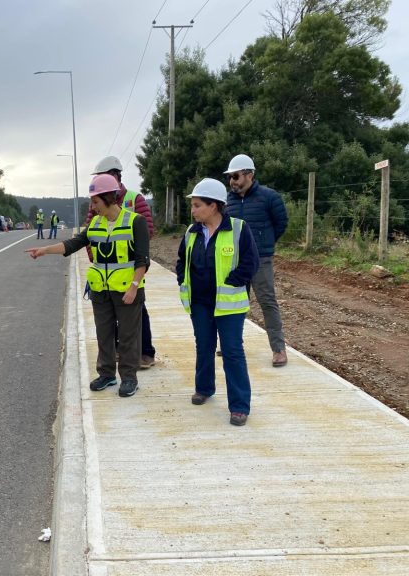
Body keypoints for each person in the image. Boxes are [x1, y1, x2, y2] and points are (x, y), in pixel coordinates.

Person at [26, 174, 150, 398]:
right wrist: (45, 250)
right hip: (100, 290)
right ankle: (107, 374)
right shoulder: (95, 223)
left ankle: (129, 378)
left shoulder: (135, 222)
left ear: (108, 198)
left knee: (128, 336)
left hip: (127, 290)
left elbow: (142, 260)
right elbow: (73, 244)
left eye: (95, 201)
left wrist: (134, 287)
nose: (92, 206)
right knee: (104, 334)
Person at [176, 178, 259, 426]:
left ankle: (239, 406)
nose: (193, 210)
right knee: (204, 346)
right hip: (200, 303)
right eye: (193, 205)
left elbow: (251, 262)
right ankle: (204, 388)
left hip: (228, 305)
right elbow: (182, 261)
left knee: (232, 352)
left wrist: (234, 281)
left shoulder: (238, 229)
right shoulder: (191, 232)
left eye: (197, 205)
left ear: (213, 206)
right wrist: (182, 279)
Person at [86, 156, 156, 369]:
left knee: (137, 312)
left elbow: (147, 229)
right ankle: (119, 352)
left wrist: (131, 255)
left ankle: (145, 353)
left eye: (102, 176)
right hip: (107, 270)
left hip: (131, 267)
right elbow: (90, 230)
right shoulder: (98, 198)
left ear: (114, 175)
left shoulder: (135, 198)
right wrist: (95, 255)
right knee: (111, 315)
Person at [224, 154, 289, 367]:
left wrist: (264, 243)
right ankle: (231, 344)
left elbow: (281, 223)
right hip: (236, 260)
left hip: (261, 259)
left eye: (235, 176)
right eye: (230, 177)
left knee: (267, 302)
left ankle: (278, 349)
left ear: (249, 175)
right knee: (234, 303)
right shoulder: (228, 200)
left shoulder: (269, 197)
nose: (232, 181)